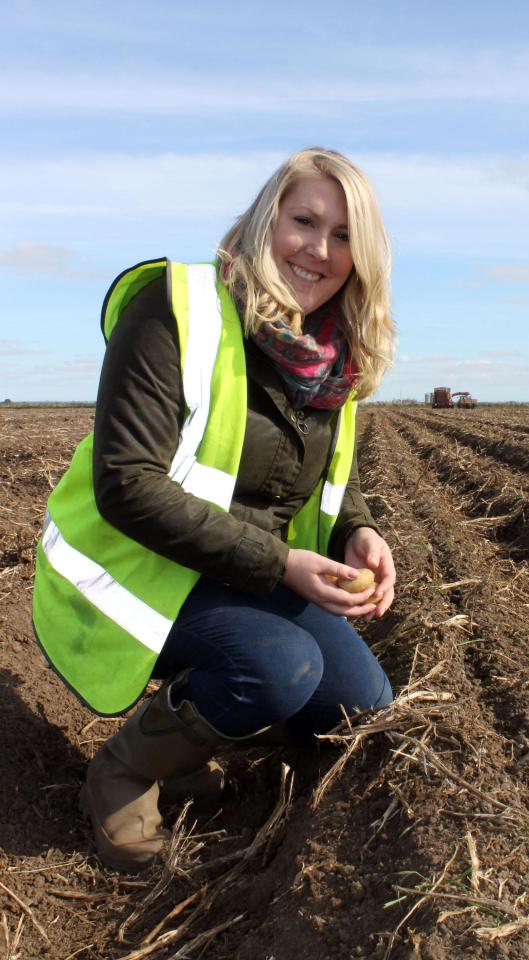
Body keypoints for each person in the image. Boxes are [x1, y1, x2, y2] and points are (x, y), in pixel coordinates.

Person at [33, 147, 397, 872]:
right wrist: (281, 563)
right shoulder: (179, 308)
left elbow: (324, 476)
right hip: (134, 564)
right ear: (267, 219)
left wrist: (357, 529)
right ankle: (128, 773)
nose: (319, 250)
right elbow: (128, 484)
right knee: (279, 665)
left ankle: (201, 735)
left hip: (235, 566)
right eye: (303, 220)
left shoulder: (332, 354)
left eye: (345, 234)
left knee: (359, 706)